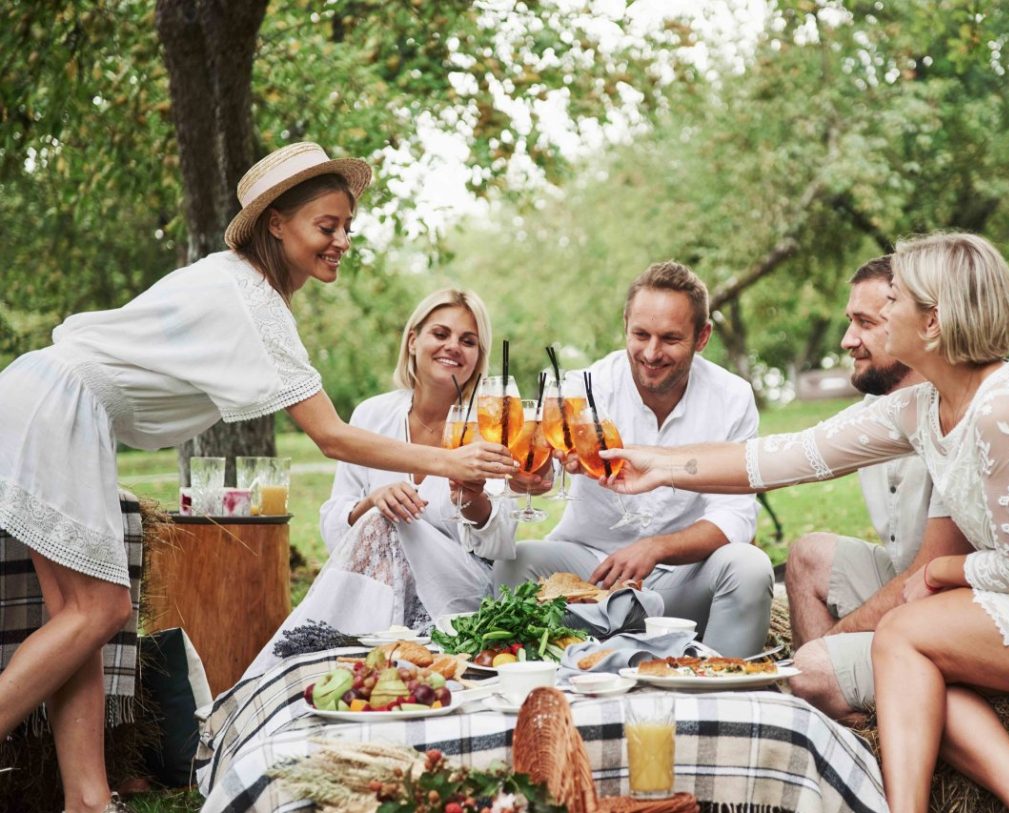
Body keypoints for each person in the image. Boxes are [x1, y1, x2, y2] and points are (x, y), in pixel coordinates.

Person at [599, 233, 1009, 813]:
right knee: (916, 648)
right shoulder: (924, 404)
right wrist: (662, 465)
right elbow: (793, 453)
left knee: (906, 633)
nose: (881, 315)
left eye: (895, 302)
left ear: (932, 321)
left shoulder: (1006, 408)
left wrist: (940, 569)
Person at [0, 143, 514, 813]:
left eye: (346, 228)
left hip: (47, 400)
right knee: (101, 610)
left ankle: (89, 798)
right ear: (277, 222)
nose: (341, 241)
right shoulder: (252, 299)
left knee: (83, 618)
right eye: (326, 226)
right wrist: (450, 461)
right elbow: (329, 434)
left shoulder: (237, 284)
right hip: (58, 407)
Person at [493, 261, 774, 658]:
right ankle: (550, 683)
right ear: (625, 324)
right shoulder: (584, 387)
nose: (652, 352)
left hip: (683, 577)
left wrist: (655, 548)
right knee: (516, 563)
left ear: (702, 336)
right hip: (590, 573)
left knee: (750, 566)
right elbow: (541, 469)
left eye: (670, 338)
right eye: (640, 334)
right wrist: (532, 474)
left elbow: (736, 516)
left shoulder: (732, 397)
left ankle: (718, 693)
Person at [243, 288, 517, 678]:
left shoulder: (492, 423)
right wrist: (372, 501)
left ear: (478, 357)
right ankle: (367, 654)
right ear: (413, 340)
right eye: (440, 334)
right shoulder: (372, 414)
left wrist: (471, 498)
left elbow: (502, 542)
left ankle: (326, 657)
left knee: (392, 523)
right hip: (378, 580)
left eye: (468, 341)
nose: (453, 346)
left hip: (458, 591)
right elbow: (334, 524)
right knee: (381, 520)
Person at [786, 256, 971, 721]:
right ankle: (835, 719)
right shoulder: (879, 409)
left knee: (811, 666)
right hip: (909, 582)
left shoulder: (962, 410)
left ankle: (830, 685)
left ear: (918, 323)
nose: (847, 341)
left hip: (959, 609)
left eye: (865, 323)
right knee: (808, 555)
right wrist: (658, 465)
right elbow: (783, 455)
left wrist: (834, 642)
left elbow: (929, 576)